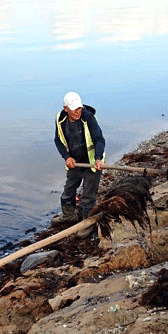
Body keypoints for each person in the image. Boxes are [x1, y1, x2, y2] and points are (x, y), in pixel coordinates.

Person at [51, 91, 106, 232]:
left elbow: (99, 139)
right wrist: (66, 157)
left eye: (79, 108)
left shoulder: (88, 118)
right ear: (66, 109)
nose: (78, 111)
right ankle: (69, 215)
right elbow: (58, 140)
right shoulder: (60, 119)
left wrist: (98, 158)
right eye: (74, 109)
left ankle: (87, 224)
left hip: (92, 163)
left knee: (88, 197)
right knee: (68, 191)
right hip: (74, 163)